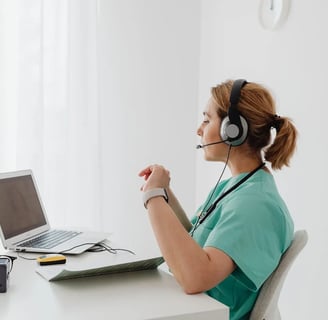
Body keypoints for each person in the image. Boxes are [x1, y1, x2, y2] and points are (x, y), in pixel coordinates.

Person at [138, 79, 297, 320]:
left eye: (206, 119)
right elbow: (195, 242)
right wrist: (165, 194)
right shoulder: (238, 187)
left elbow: (195, 277)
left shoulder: (254, 204)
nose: (199, 130)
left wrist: (154, 198)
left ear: (233, 129)